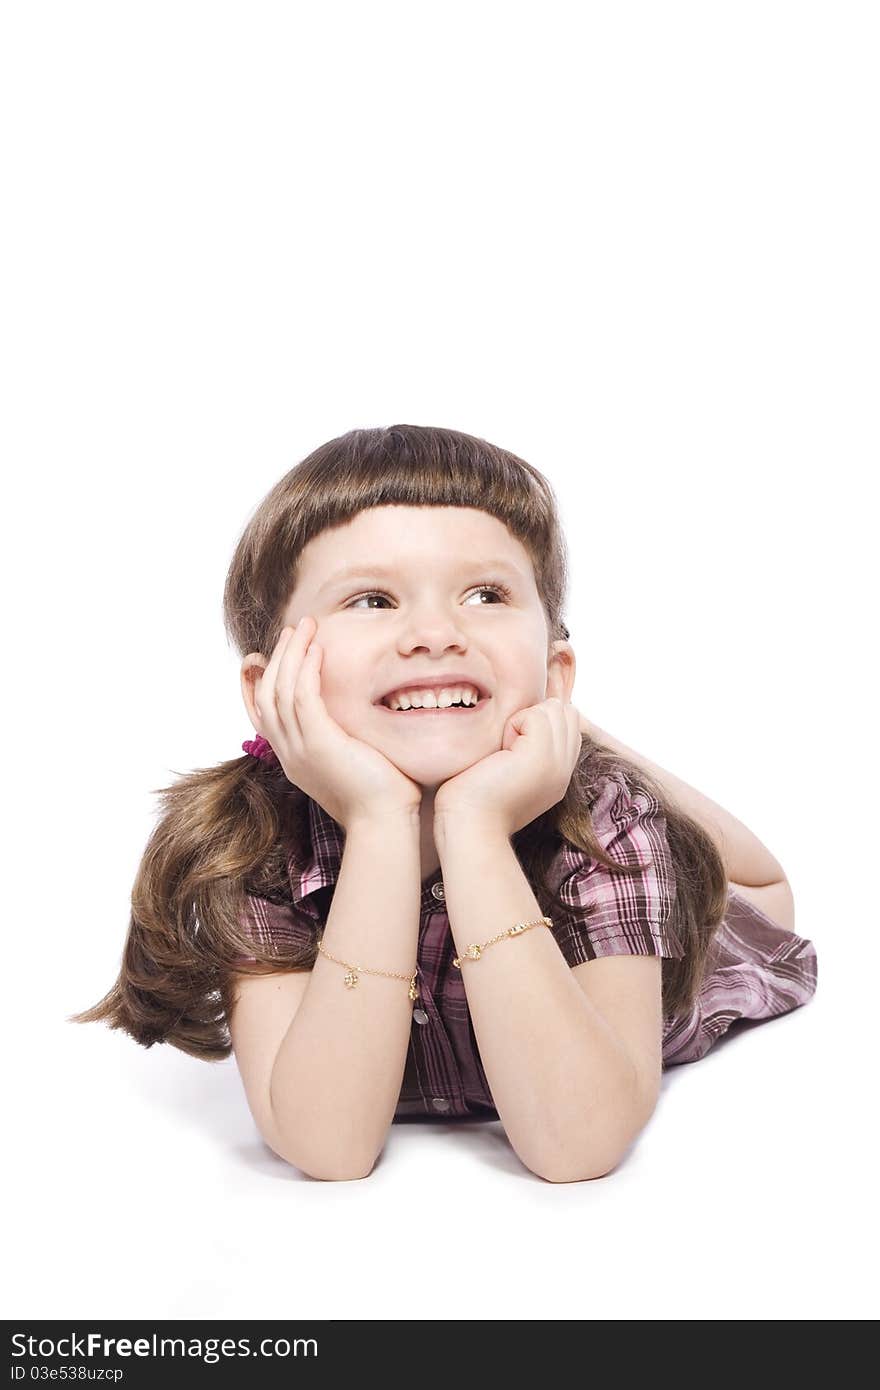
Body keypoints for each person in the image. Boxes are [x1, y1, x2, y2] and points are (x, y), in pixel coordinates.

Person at [70, 424, 818, 1182]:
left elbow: (577, 1145)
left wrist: (475, 826)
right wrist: (378, 820)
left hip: (720, 927)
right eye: (372, 598)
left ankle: (570, 724)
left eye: (486, 594)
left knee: (760, 894)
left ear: (557, 667)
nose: (435, 633)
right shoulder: (253, 844)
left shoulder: (610, 823)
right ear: (268, 688)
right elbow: (328, 1146)